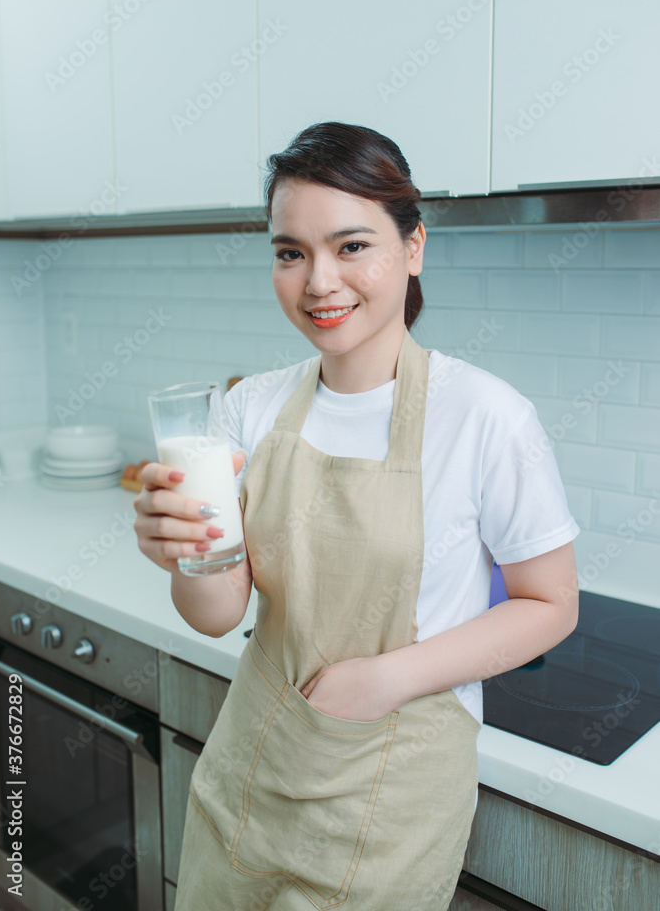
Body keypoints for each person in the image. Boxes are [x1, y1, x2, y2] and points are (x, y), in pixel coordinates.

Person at [133, 121, 580, 910]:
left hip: (391, 798)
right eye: (289, 252)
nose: (317, 283)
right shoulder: (250, 407)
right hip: (254, 774)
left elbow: (550, 605)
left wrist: (385, 678)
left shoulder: (484, 417)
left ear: (412, 248)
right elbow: (217, 613)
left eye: (350, 247)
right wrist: (185, 554)